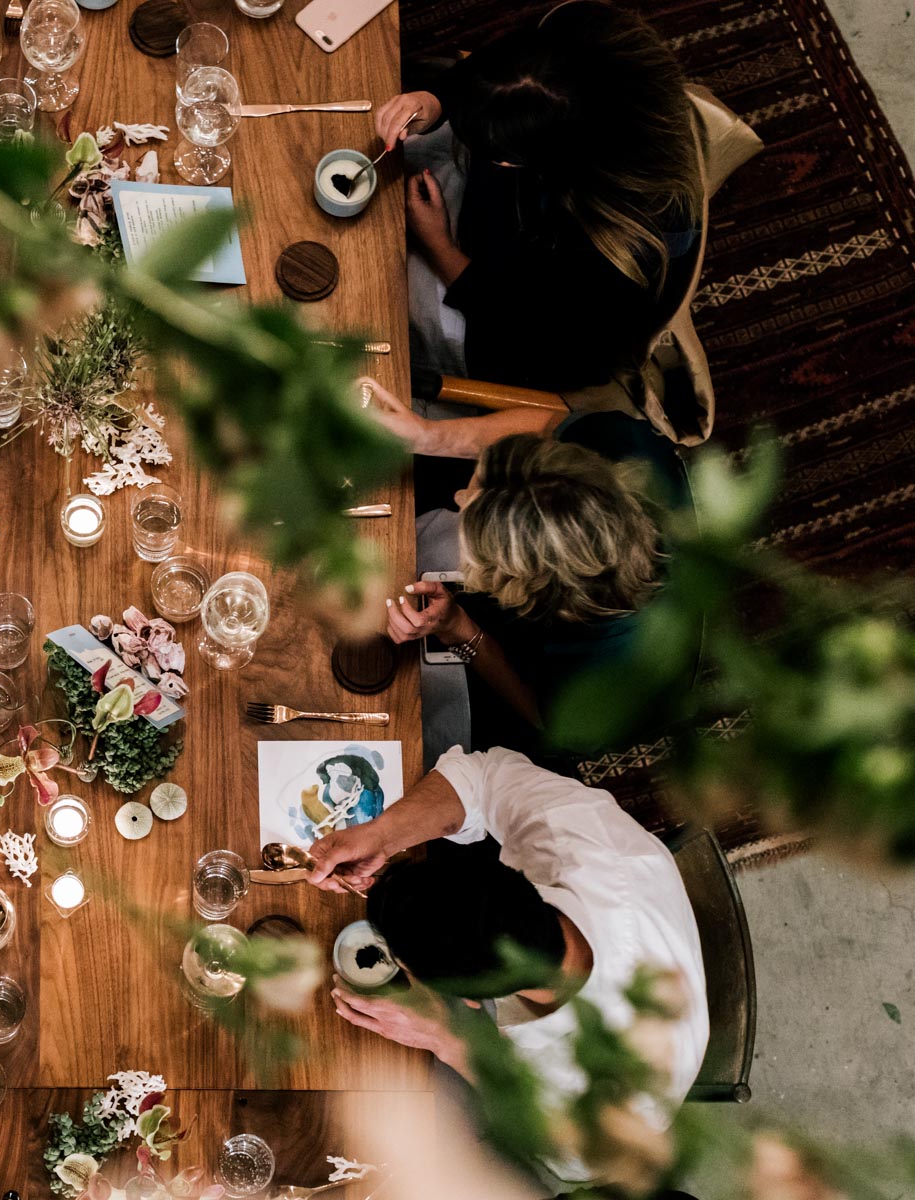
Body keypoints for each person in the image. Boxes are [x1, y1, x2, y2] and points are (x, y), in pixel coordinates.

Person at [308, 745, 708, 1191]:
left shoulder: (604, 1086)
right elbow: (483, 777)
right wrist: (383, 835)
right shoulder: (569, 834)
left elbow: (575, 1162)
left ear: (468, 999)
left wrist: (447, 1038)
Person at [370, 1, 706, 453]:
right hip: (515, 228)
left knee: (379, 292)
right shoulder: (573, 29)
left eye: (497, 155)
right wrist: (438, 100)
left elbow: (536, 344)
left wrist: (440, 248)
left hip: (521, 323)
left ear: (550, 164)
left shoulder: (617, 247)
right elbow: (491, 75)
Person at [371, 388, 688, 751]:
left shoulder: (613, 674)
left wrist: (461, 630)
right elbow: (548, 423)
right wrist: (429, 434)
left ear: (521, 583)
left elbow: (545, 716)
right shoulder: (623, 441)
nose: (458, 496)